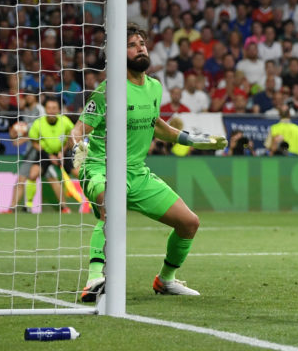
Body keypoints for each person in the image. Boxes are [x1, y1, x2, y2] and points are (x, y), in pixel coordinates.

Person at [72, 23, 228, 302]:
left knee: (189, 223)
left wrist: (197, 140)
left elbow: (157, 126)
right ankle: (95, 277)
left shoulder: (155, 87)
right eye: (132, 45)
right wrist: (78, 147)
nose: (140, 48)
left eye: (141, 43)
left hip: (137, 173)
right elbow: (78, 129)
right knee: (110, 206)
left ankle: (165, 280)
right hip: (99, 167)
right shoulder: (109, 90)